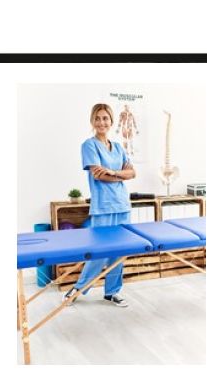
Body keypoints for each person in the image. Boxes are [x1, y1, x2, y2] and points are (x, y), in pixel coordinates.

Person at [63, 103, 136, 307]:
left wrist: (113, 172)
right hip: (103, 206)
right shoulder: (89, 145)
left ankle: (112, 292)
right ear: (92, 121)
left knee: (119, 252)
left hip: (122, 205)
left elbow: (133, 172)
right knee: (98, 252)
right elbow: (99, 175)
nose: (101, 122)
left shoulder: (119, 147)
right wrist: (119, 175)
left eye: (105, 118)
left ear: (111, 121)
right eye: (97, 118)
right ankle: (77, 289)